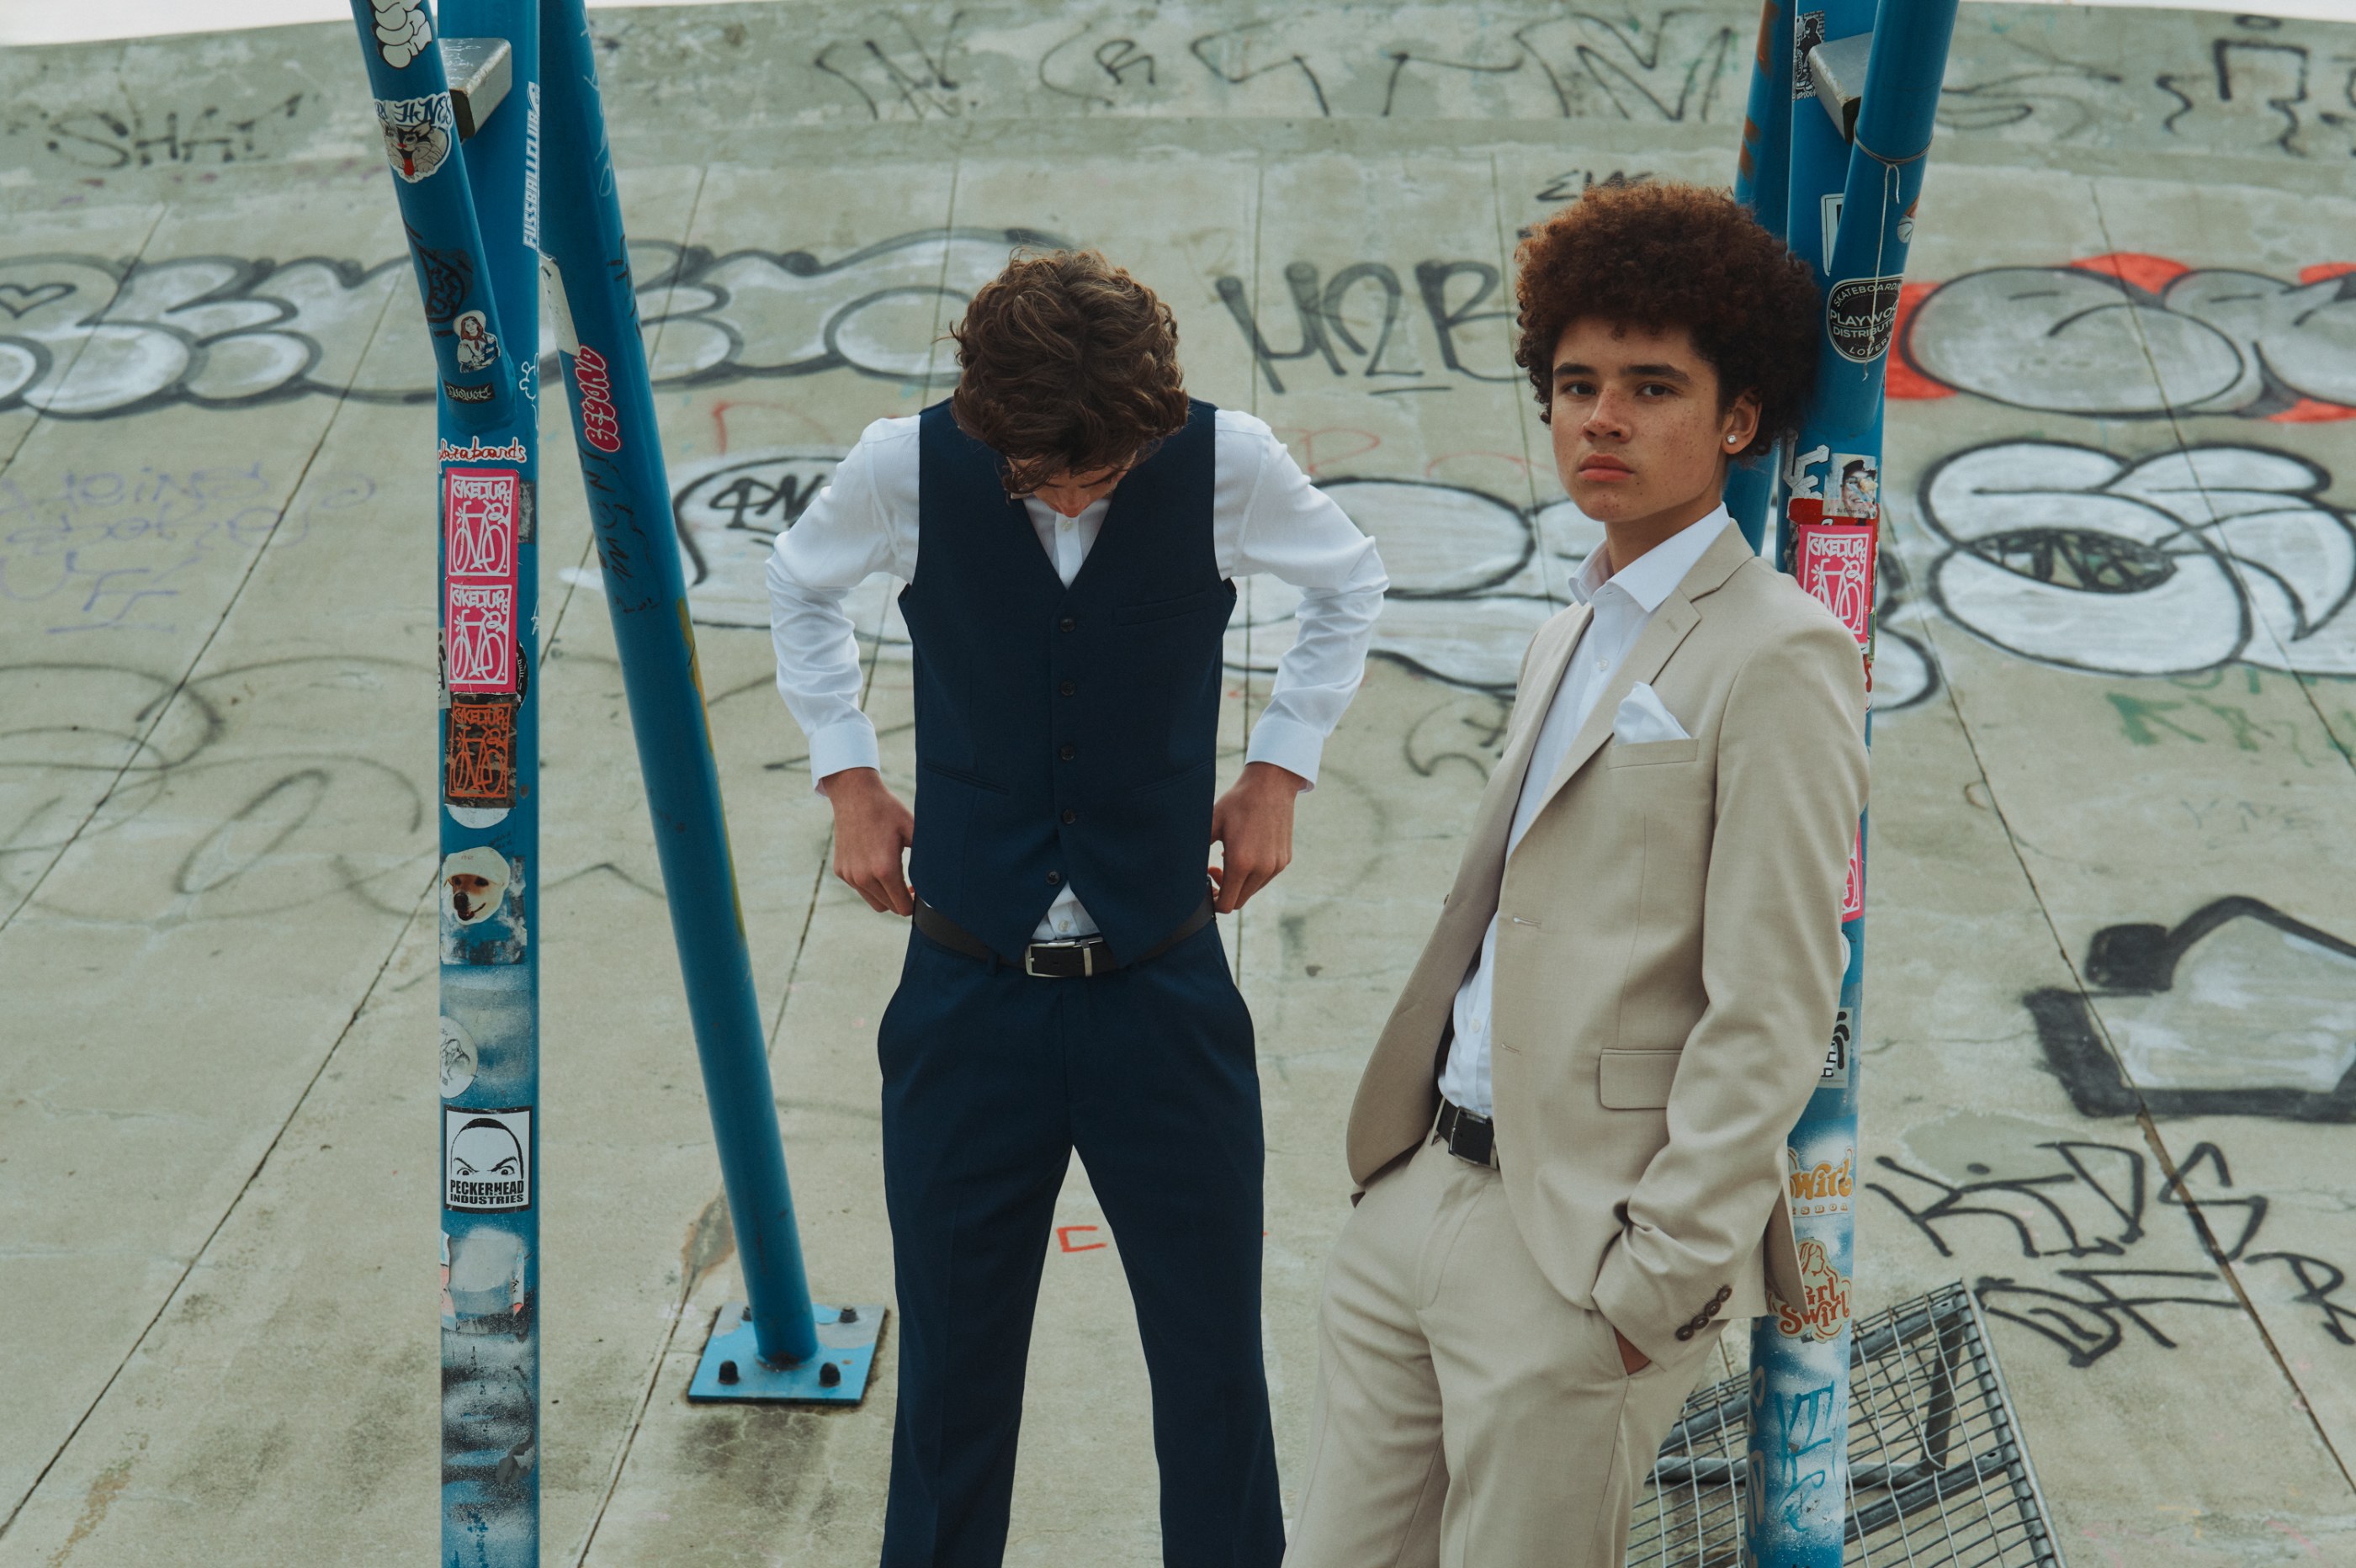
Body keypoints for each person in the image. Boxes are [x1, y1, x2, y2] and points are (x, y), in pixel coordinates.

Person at [766, 249, 1388, 1568]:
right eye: (1035, 475)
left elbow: (1349, 583)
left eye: (1093, 475)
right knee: (949, 1386)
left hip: (1162, 993)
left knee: (1215, 1374)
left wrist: (1279, 766)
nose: (1062, 495)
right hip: (965, 996)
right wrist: (848, 774)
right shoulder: (903, 465)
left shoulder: (1226, 462)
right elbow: (799, 586)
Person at [1285, 182, 1869, 1567]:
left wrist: (1649, 1280)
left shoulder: (1779, 651)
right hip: (1422, 1189)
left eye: (1651, 386)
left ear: (1737, 422)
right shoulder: (1572, 630)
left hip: (1579, 1252)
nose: (1601, 417)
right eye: (1576, 382)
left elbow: (1777, 998)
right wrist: (1398, 1181)